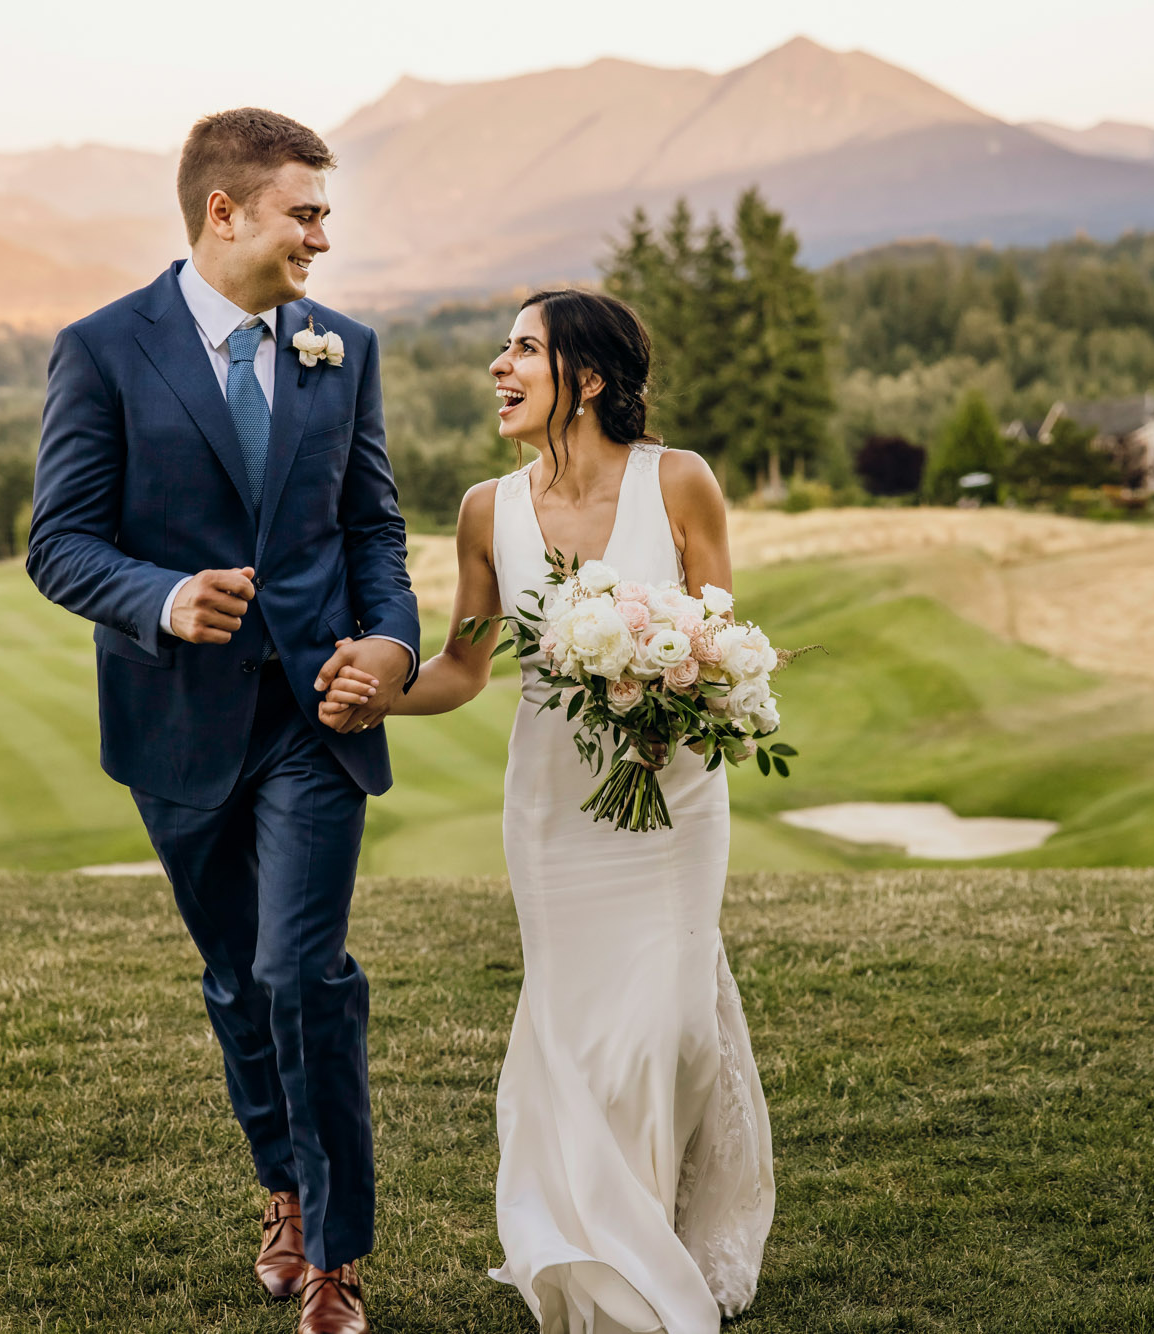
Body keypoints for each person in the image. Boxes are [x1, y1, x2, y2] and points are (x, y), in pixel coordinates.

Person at [27, 107, 418, 1334]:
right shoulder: (99, 350)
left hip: (315, 715)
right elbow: (58, 543)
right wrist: (161, 596)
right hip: (176, 727)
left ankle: (336, 1255)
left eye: (323, 213)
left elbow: (371, 532)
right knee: (237, 981)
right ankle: (283, 1189)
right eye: (305, 212)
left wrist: (392, 644)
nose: (321, 235)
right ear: (224, 212)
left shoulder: (342, 348)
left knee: (303, 970)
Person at [321, 289, 775, 1333]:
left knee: (664, 1029)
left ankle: (650, 1225)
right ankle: (597, 1251)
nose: (499, 365)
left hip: (673, 800)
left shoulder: (682, 482)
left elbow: (720, 638)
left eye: (524, 348)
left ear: (590, 377)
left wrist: (684, 693)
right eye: (502, 346)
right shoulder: (487, 508)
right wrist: (373, 692)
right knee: (576, 1031)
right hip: (551, 806)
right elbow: (467, 665)